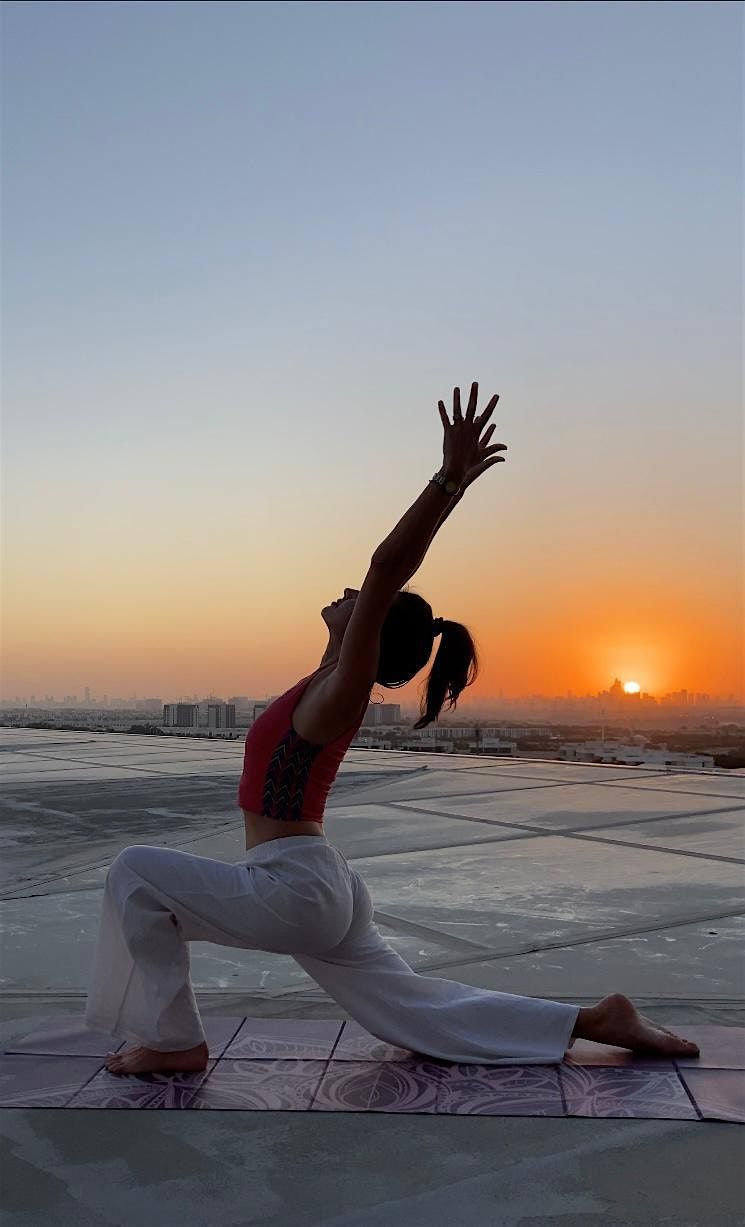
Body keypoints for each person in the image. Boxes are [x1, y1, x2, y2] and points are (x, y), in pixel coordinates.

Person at [85, 382, 700, 1075]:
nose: (347, 592)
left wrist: (447, 482)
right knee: (413, 1008)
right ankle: (592, 1020)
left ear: (370, 637)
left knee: (134, 872)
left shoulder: (342, 691)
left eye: (360, 601)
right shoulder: (322, 681)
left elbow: (384, 567)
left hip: (295, 889)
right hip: (314, 884)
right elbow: (368, 592)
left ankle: (174, 1042)